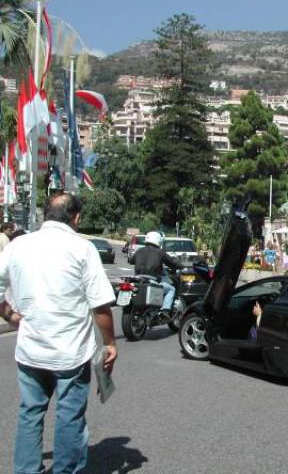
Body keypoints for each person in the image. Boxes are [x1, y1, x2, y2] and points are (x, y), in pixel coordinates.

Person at [0, 193, 117, 473]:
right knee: (69, 417)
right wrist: (110, 342)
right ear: (76, 217)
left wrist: (11, 316)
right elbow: (99, 305)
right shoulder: (81, 248)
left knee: (30, 413)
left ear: (45, 214)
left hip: (30, 349)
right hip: (70, 354)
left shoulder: (19, 245)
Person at [133, 231, 182, 318]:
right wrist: (181, 265)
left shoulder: (139, 250)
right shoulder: (160, 252)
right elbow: (172, 263)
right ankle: (165, 310)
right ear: (158, 240)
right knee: (171, 289)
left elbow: (131, 260)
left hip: (138, 279)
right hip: (152, 279)